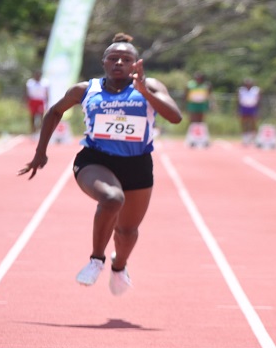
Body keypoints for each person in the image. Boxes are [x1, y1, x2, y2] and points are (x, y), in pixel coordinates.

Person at [18, 33, 182, 295]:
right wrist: (41, 152)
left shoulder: (150, 86)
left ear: (135, 64)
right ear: (104, 62)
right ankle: (96, 259)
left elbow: (175, 117)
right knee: (112, 198)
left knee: (128, 231)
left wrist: (143, 92)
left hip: (137, 164)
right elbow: (55, 111)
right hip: (95, 160)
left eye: (126, 59)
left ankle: (119, 266)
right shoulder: (85, 89)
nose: (119, 62)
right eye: (113, 58)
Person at [237, 78, 262, 145]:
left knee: (253, 122)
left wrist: (258, 110)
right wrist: (237, 110)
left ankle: (253, 137)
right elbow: (238, 100)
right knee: (244, 122)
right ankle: (245, 137)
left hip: (252, 107)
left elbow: (259, 100)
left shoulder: (256, 90)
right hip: (244, 107)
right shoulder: (241, 90)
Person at [25, 70, 50, 134]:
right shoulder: (30, 83)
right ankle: (33, 129)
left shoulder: (45, 83)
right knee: (32, 116)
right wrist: (26, 102)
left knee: (41, 115)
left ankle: (40, 129)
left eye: (39, 75)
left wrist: (47, 102)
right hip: (33, 100)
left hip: (40, 100)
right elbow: (27, 93)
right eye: (36, 75)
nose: (37, 77)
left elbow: (47, 93)